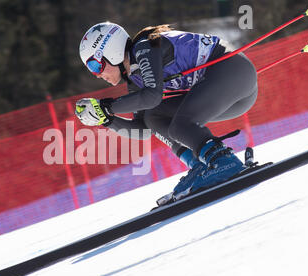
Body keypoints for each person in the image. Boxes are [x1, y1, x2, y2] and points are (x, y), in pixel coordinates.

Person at [75, 22, 258, 200]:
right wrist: (106, 119)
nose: (97, 74)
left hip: (233, 71)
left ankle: (223, 161)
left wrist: (108, 106)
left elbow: (152, 96)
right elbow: (144, 129)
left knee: (180, 125)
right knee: (153, 116)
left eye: (95, 65)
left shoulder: (144, 48)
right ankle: (199, 165)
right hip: (227, 91)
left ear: (111, 52)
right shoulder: (135, 80)